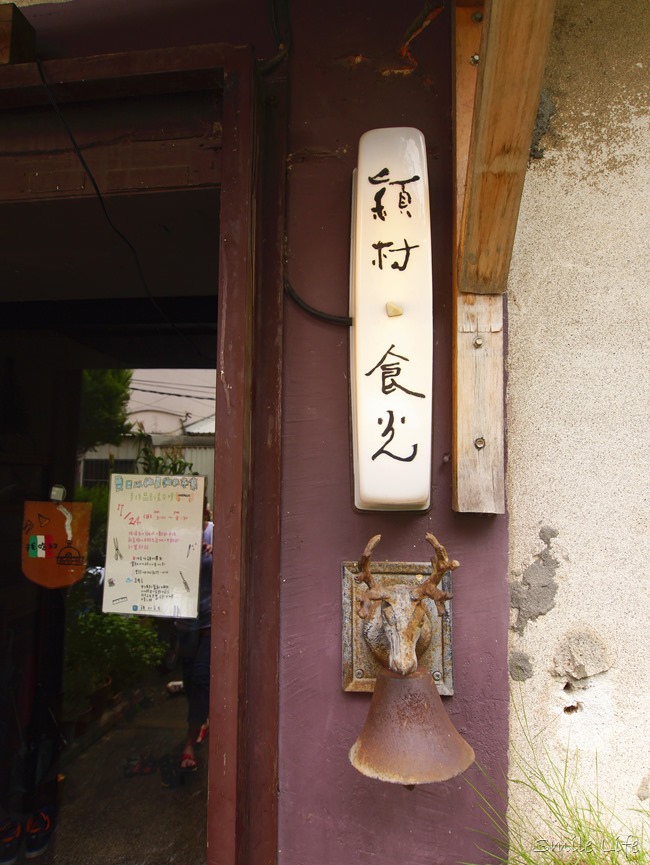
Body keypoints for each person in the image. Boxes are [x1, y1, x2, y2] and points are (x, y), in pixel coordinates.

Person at [176, 501, 213, 772]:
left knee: (201, 677)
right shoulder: (175, 534)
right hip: (183, 621)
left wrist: (217, 552)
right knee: (189, 680)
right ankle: (200, 719)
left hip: (211, 621)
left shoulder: (215, 533)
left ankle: (190, 741)